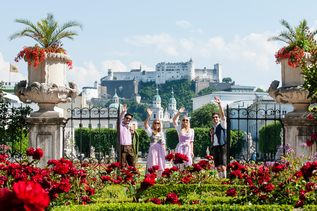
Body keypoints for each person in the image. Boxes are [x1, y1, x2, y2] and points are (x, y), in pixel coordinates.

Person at [209, 96, 227, 179]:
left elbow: (223, 115)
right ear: (212, 120)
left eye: (216, 117)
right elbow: (211, 140)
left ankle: (224, 180)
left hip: (222, 146)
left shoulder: (222, 124)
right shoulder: (213, 128)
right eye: (213, 117)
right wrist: (211, 135)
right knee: (218, 166)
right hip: (215, 147)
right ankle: (220, 180)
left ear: (219, 118)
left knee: (223, 165)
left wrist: (219, 104)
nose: (215, 118)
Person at [144, 108, 166, 175]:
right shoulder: (150, 131)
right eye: (156, 123)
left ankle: (160, 176)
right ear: (153, 124)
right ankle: (152, 175)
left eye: (158, 123)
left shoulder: (161, 133)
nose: (157, 124)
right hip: (153, 149)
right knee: (153, 162)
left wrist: (164, 154)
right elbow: (145, 124)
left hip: (160, 149)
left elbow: (163, 144)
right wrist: (149, 116)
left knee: (160, 163)